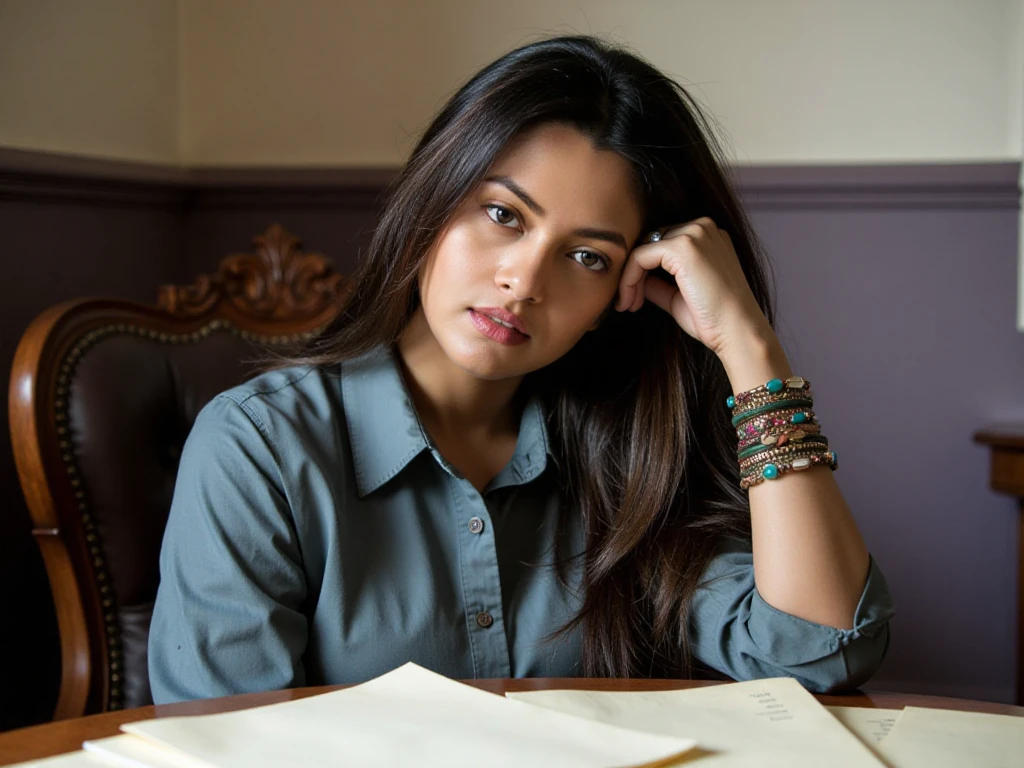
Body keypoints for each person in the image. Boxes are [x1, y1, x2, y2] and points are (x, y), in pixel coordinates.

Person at [149, 35, 893, 704]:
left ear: (618, 296)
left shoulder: (628, 460)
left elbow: (821, 650)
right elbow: (227, 746)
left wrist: (750, 348)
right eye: (503, 215)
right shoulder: (258, 448)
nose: (525, 280)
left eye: (586, 257)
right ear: (431, 205)